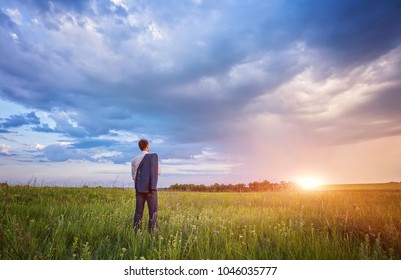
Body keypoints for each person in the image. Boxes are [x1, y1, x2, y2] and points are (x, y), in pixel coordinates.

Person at [131, 139, 161, 233]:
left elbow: (133, 176)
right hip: (151, 188)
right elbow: (159, 172)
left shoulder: (134, 160)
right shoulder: (152, 158)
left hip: (139, 189)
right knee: (153, 212)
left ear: (140, 147)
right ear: (147, 146)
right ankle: (153, 231)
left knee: (138, 212)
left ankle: (136, 231)